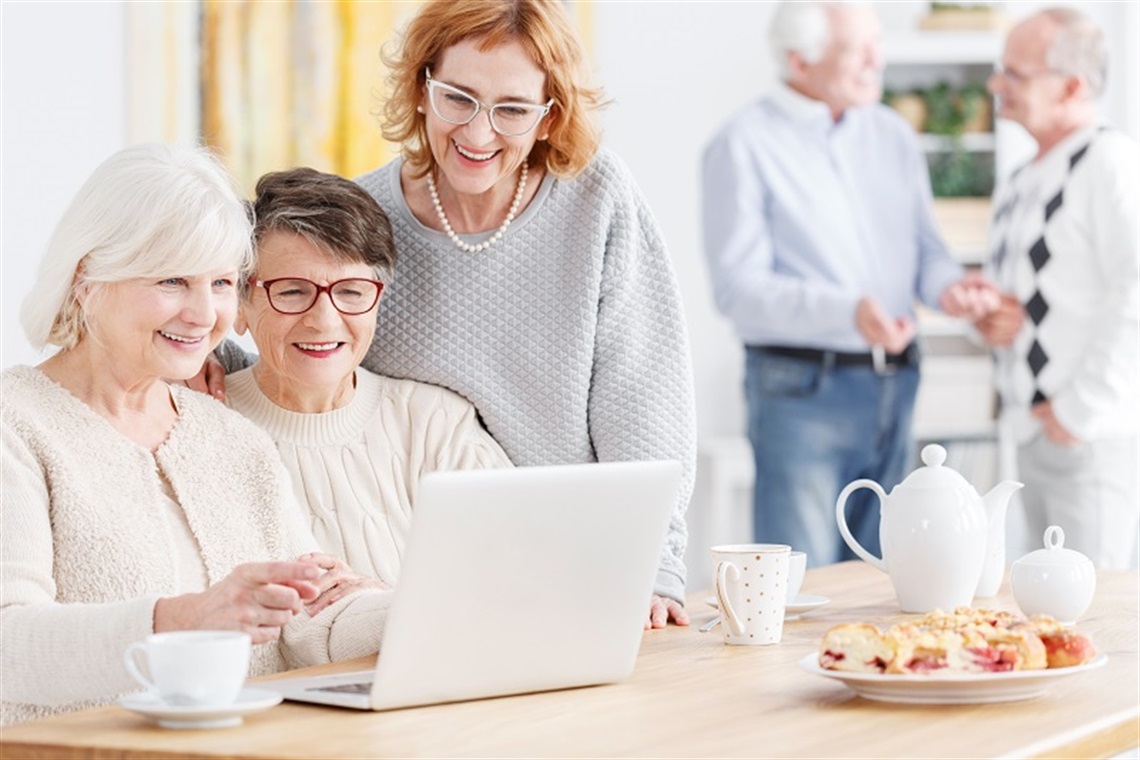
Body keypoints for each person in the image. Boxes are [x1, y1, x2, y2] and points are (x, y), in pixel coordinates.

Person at [213, 0, 697, 627]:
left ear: (549, 118)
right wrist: (211, 355)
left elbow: (644, 392)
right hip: (457, 562)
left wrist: (654, 563)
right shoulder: (370, 216)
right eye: (458, 98)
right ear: (421, 89)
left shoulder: (596, 198)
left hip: (587, 546)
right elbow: (311, 333)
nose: (477, 132)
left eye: (513, 109)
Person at [1, 144, 389, 726]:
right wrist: (185, 618)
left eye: (221, 283)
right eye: (172, 280)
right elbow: (10, 646)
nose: (204, 314)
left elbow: (312, 623)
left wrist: (414, 609)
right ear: (87, 278)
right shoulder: (17, 423)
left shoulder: (233, 439)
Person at [700, 1, 999, 567]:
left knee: (885, 579)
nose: (876, 60)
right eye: (856, 49)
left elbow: (930, 255)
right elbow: (737, 289)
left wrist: (951, 290)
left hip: (897, 384)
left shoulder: (893, 135)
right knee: (805, 584)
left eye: (876, 43)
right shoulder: (743, 144)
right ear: (799, 59)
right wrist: (848, 311)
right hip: (803, 392)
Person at [225, 167, 513, 586]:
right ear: (239, 305)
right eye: (291, 291)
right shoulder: (200, 431)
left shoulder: (436, 425)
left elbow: (521, 576)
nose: (324, 321)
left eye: (351, 292)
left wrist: (377, 602)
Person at [977, 8, 1139, 569]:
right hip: (1032, 432)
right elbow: (1029, 297)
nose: (998, 84)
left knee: (1096, 615)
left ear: (1072, 86)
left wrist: (1079, 411)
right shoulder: (1023, 178)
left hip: (1083, 434)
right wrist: (993, 320)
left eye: (1016, 74)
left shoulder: (1107, 161)